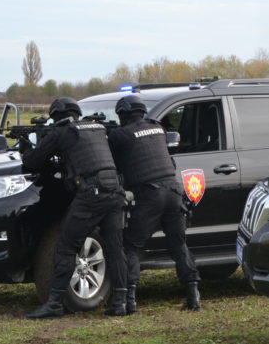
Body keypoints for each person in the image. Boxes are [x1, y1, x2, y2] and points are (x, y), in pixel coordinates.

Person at [21, 97, 128, 319]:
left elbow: (32, 162)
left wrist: (26, 144)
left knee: (66, 247)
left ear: (55, 116)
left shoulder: (61, 132)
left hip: (91, 195)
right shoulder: (98, 127)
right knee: (115, 248)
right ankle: (121, 302)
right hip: (115, 192)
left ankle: (55, 304)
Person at [108, 94, 201, 314]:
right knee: (179, 245)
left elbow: (112, 162)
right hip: (174, 191)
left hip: (150, 195)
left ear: (123, 113)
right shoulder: (158, 128)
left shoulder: (120, 134)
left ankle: (130, 301)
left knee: (131, 246)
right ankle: (193, 296)